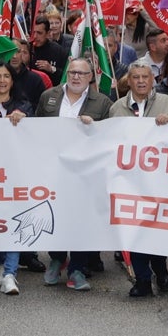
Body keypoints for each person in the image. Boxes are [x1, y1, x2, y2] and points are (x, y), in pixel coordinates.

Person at [108, 63, 168, 297]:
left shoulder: (167, 103)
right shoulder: (116, 108)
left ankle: (160, 267)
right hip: (129, 182)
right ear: (128, 82)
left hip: (159, 181)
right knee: (135, 231)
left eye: (145, 77)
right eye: (136, 77)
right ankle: (142, 280)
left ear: (153, 80)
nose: (141, 81)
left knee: (155, 230)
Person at [32, 57, 110, 291]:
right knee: (55, 214)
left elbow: (111, 136)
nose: (76, 77)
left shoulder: (103, 102)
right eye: (73, 72)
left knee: (82, 220)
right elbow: (36, 129)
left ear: (90, 77)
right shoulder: (49, 96)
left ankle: (77, 268)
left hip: (86, 172)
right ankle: (57, 258)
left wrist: (94, 127)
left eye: (82, 73)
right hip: (53, 169)